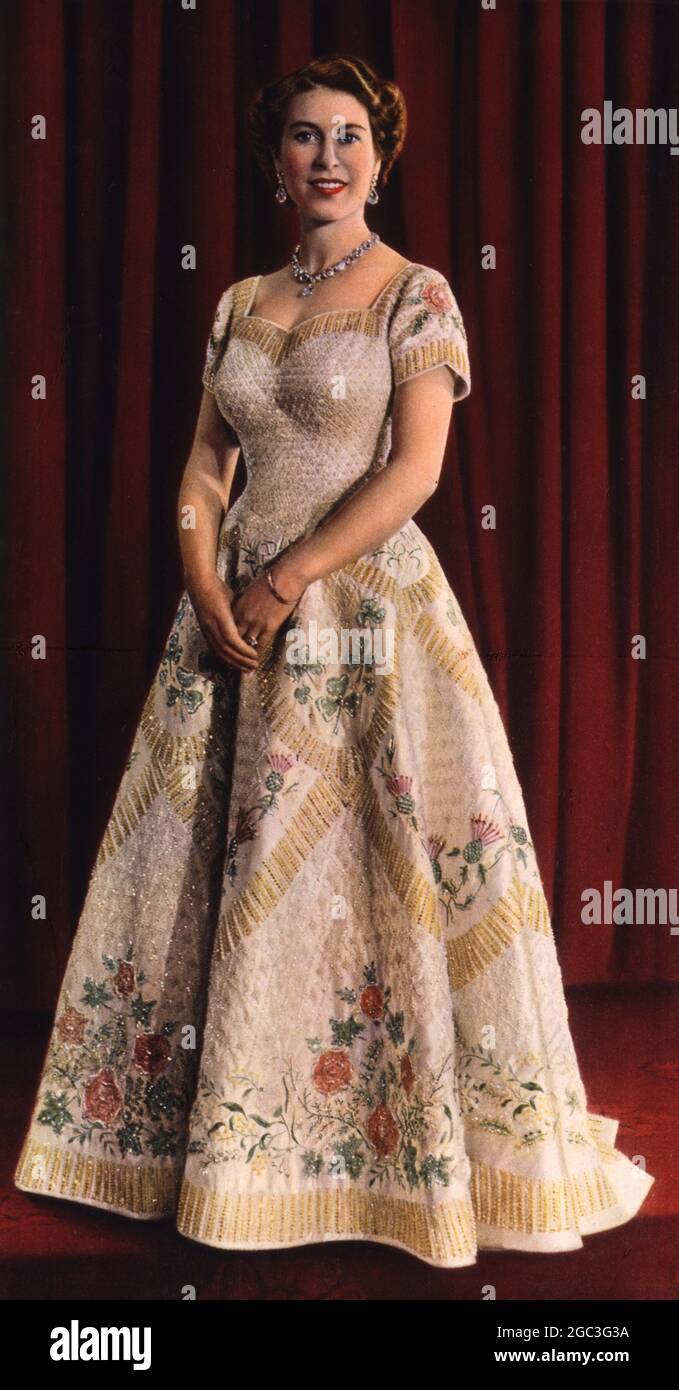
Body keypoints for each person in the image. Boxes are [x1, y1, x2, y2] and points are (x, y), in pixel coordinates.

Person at [14, 54, 654, 1268]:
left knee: (371, 874)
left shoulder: (415, 295)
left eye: (350, 135)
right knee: (218, 868)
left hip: (361, 609)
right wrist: (209, 588)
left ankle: (385, 1154)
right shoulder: (240, 302)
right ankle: (224, 1151)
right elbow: (205, 474)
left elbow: (413, 474)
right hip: (233, 617)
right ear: (273, 161)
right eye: (305, 137)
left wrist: (288, 573)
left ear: (382, 153)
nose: (328, 156)